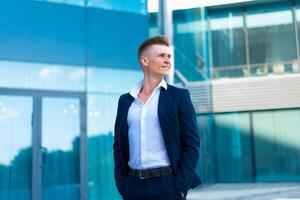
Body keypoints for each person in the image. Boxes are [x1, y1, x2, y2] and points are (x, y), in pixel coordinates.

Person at [113, 36, 201, 200]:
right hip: (133, 186)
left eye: (169, 56)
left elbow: (192, 142)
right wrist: (122, 184)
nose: (167, 60)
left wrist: (181, 185)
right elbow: (118, 145)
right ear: (144, 61)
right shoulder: (125, 101)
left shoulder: (179, 97)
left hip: (168, 185)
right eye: (161, 56)